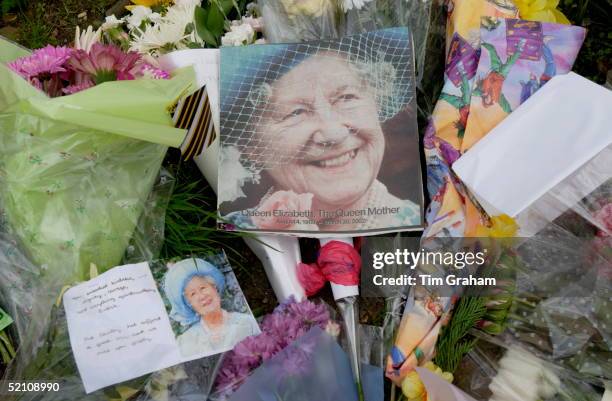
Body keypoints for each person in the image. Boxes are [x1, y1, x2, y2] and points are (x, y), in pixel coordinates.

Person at [220, 29, 422, 232]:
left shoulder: (434, 233)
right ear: (249, 145)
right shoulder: (233, 238)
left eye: (346, 97)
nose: (334, 133)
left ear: (376, 103)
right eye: (295, 112)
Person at [163, 258, 259, 357]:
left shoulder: (247, 322)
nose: (201, 296)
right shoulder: (186, 341)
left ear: (215, 288)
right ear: (189, 304)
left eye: (203, 288)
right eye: (193, 294)